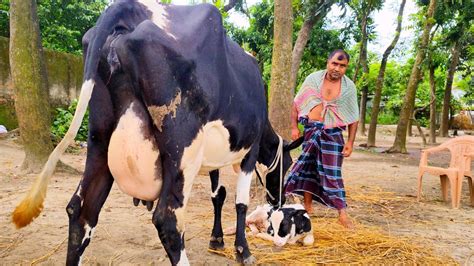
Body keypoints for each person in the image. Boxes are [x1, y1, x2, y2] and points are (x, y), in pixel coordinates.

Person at [284, 49, 359, 229]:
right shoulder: (313, 80)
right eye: (335, 63)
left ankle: (342, 213)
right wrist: (294, 127)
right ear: (328, 62)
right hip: (311, 131)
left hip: (332, 135)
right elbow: (296, 104)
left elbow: (353, 117)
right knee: (307, 169)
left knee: (332, 173)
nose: (338, 68)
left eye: (342, 66)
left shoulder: (349, 88)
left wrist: (350, 143)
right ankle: (307, 206)